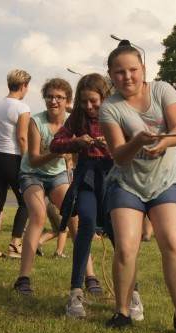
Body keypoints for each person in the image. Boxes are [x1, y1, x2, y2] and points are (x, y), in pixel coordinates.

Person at [100, 41, 176, 333]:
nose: (127, 77)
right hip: (126, 183)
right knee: (127, 247)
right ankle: (121, 312)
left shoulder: (162, 90)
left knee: (171, 240)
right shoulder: (109, 108)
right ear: (111, 75)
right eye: (119, 72)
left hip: (166, 180)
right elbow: (118, 155)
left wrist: (161, 143)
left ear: (144, 70)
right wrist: (138, 142)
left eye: (133, 70)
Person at [14, 78, 91, 295]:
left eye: (59, 97)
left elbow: (76, 156)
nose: (53, 101)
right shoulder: (35, 122)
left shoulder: (72, 123)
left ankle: (90, 276)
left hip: (57, 175)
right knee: (38, 215)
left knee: (74, 217)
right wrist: (59, 151)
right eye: (49, 96)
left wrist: (74, 153)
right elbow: (35, 159)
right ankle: (23, 279)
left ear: (68, 100)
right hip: (32, 173)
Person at [50, 73, 116, 317]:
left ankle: (131, 293)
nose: (89, 107)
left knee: (119, 235)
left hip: (113, 179)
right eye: (85, 102)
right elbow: (55, 144)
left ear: (104, 98)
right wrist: (76, 141)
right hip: (87, 177)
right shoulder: (76, 118)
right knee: (86, 224)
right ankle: (75, 293)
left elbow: (133, 143)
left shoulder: (117, 112)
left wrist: (113, 143)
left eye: (94, 101)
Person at [0, 69, 31, 259]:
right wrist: (28, 161)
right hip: (14, 158)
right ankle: (15, 244)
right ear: (24, 86)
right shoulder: (23, 108)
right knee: (25, 202)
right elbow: (22, 137)